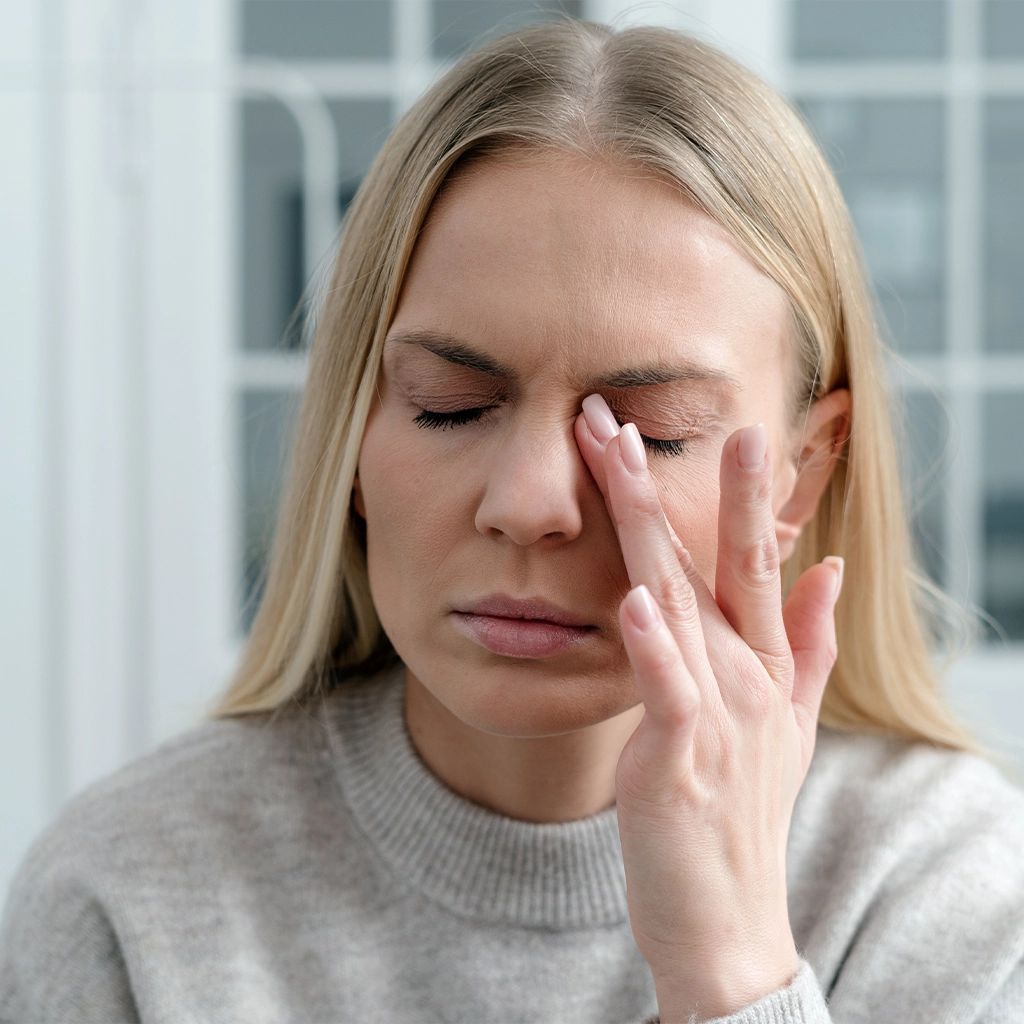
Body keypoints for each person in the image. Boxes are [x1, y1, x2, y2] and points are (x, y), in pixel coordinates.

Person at [2, 18, 1022, 1024]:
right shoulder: (124, 894)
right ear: (354, 436)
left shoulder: (944, 887)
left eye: (648, 431)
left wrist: (733, 968)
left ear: (799, 477)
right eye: (448, 403)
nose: (529, 503)